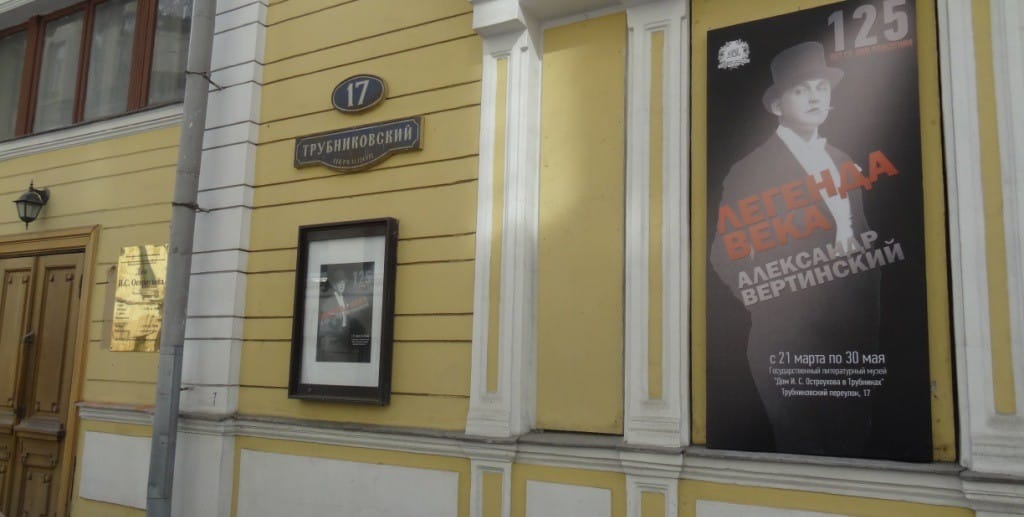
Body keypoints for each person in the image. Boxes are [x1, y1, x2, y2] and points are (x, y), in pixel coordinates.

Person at [709, 41, 881, 456]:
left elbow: (858, 239)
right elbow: (725, 255)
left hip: (852, 346)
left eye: (821, 87)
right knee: (803, 454)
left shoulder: (843, 161)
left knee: (855, 457)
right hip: (787, 346)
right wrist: (771, 303)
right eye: (801, 90)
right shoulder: (750, 170)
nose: (815, 97)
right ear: (777, 105)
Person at [316, 265, 371, 363]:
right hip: (333, 344)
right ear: (333, 284)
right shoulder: (328, 302)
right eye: (338, 282)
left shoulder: (344, 300)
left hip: (344, 341)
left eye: (343, 282)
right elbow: (324, 326)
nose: (342, 285)